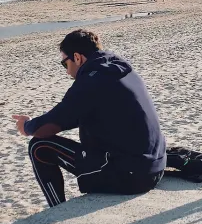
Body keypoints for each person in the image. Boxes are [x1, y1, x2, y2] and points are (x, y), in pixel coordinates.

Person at [11, 29, 165, 209]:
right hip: (156, 165)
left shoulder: (92, 80)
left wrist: (26, 126)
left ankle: (57, 210)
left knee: (38, 146)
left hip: (131, 176)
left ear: (77, 57)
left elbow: (51, 124)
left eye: (64, 63)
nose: (67, 72)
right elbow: (72, 114)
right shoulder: (118, 68)